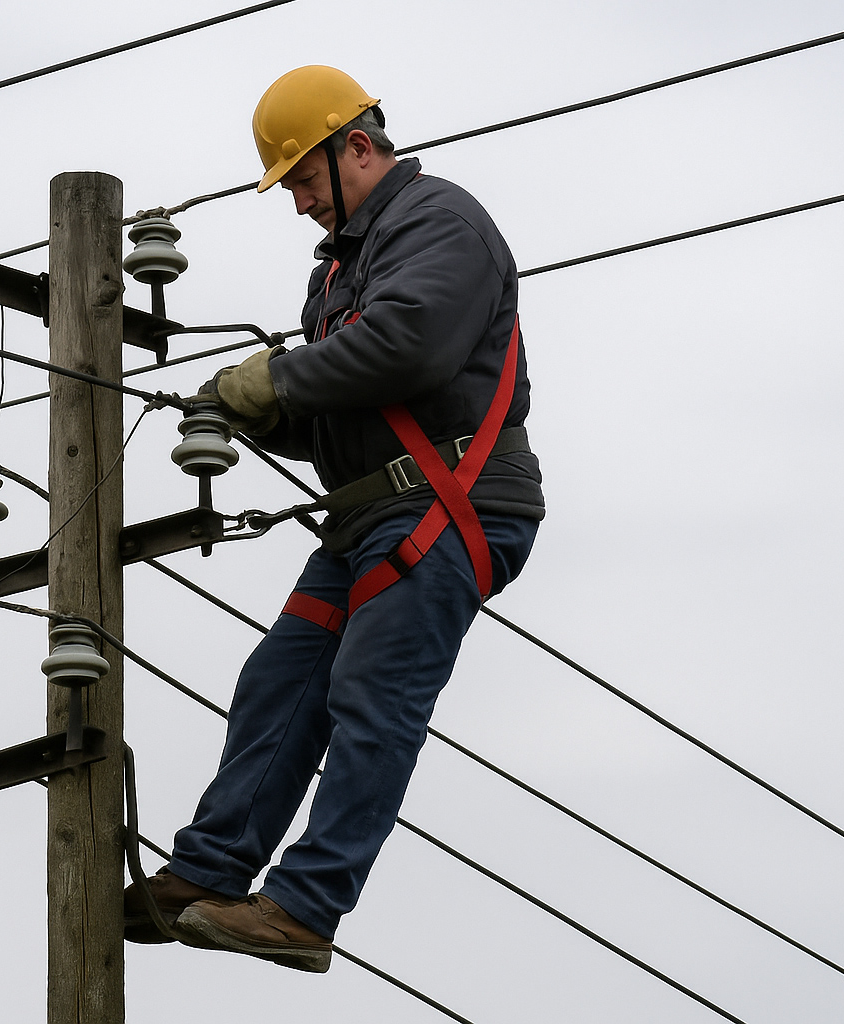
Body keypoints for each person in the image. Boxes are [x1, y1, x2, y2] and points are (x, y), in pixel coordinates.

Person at [124, 66, 545, 973]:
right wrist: (258, 410)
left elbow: (406, 347)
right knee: (279, 681)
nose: (300, 201)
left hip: (447, 500)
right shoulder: (339, 269)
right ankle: (210, 870)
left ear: (357, 146)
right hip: (370, 512)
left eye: (305, 178)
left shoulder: (440, 221)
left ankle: (307, 908)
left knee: (372, 695)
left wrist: (272, 379)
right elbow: (340, 413)